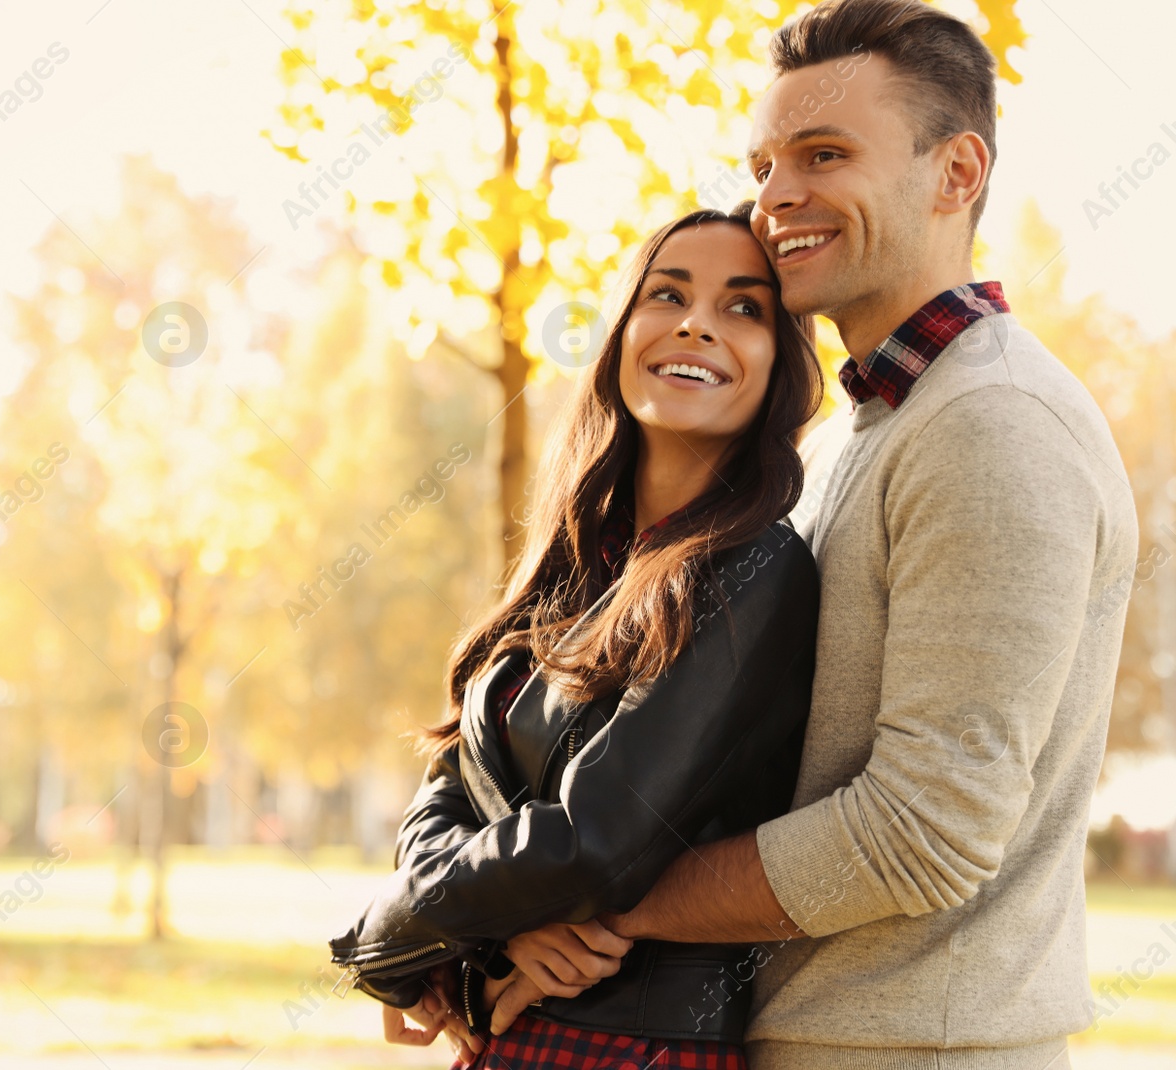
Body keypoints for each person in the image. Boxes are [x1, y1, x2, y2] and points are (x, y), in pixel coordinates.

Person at [485, 2, 1140, 1068]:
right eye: (765, 161)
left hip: (918, 1044)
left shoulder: (993, 424)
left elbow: (922, 830)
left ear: (956, 174)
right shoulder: (861, 430)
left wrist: (600, 903)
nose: (776, 195)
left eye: (824, 154)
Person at [329, 200, 826, 1069]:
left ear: (780, 365)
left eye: (744, 307)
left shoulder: (755, 568)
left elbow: (593, 843)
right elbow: (453, 789)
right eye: (667, 295)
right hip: (512, 1027)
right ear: (625, 330)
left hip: (633, 1045)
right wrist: (495, 940)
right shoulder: (574, 559)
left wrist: (387, 933)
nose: (697, 326)